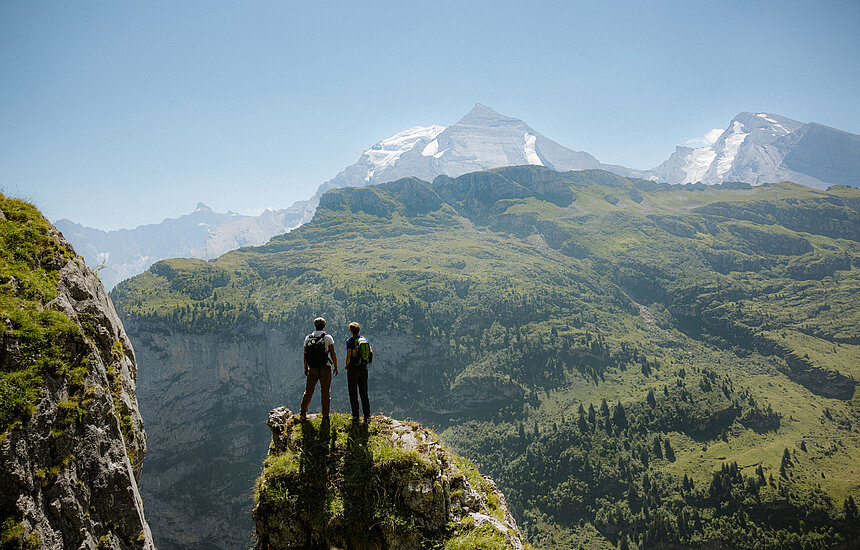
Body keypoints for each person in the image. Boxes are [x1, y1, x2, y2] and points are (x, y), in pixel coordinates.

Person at [299, 317, 338, 421]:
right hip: (325, 367)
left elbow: (305, 354)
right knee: (325, 391)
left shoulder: (308, 338)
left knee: (309, 390)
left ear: (315, 326)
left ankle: (303, 412)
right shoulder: (328, 337)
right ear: (324, 325)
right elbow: (333, 353)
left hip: (313, 368)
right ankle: (325, 415)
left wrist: (305, 367)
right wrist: (335, 366)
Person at [345, 322, 373, 422]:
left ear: (351, 331)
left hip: (353, 369)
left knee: (353, 392)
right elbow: (370, 352)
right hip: (363, 368)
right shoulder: (365, 340)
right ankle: (367, 415)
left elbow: (348, 356)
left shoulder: (350, 341)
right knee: (364, 392)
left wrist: (346, 365)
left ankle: (356, 416)